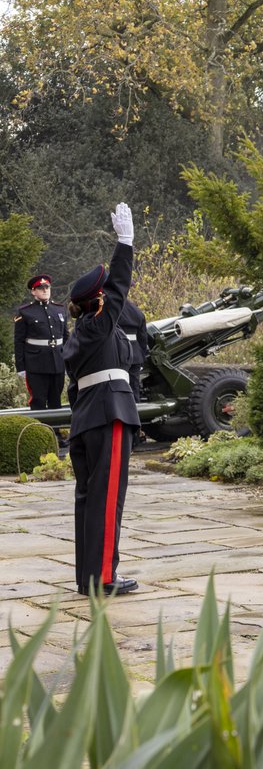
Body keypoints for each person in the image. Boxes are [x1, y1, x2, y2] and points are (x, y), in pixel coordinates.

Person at [63, 202, 141, 596]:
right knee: (108, 500)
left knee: (88, 500)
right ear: (98, 302)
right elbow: (118, 289)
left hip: (88, 420)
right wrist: (124, 243)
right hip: (109, 415)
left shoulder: (80, 337)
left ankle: (88, 578)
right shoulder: (95, 327)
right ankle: (104, 579)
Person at [13, 274, 67, 410]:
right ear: (33, 291)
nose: (44, 290)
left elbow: (66, 337)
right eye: (40, 287)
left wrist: (69, 361)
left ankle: (57, 431)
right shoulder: (25, 312)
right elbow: (19, 341)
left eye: (47, 287)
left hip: (58, 363)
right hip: (36, 365)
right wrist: (21, 367)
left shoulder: (59, 309)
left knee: (56, 401)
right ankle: (40, 431)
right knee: (38, 401)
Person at [118, 299, 149, 402]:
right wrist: (142, 356)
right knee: (134, 388)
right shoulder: (136, 311)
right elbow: (143, 338)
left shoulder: (112, 310)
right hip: (135, 355)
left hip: (118, 354)